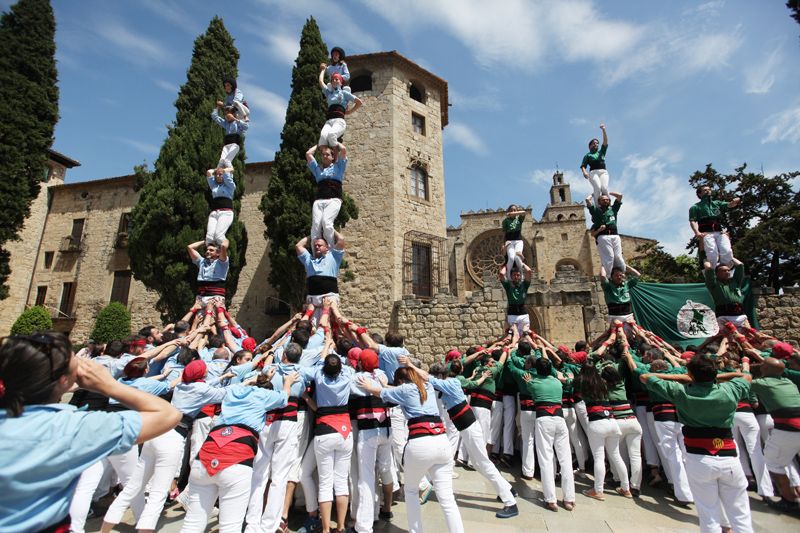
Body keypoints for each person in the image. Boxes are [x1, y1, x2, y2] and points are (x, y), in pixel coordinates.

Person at [0, 333, 180, 532]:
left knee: (88, 487)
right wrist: (109, 385)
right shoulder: (70, 427)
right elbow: (168, 415)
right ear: (64, 380)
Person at [101, 359, 229, 533]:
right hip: (174, 437)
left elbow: (205, 385)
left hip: (158, 433)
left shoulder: (182, 385)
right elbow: (224, 394)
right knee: (159, 493)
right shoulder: (201, 389)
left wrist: (223, 376)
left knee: (133, 486)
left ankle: (104, 530)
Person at [641, 355, 754, 533]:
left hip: (698, 458)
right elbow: (746, 377)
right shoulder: (730, 390)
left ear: (690, 374)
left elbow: (646, 377)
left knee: (708, 515)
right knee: (741, 515)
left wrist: (684, 378)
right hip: (729, 456)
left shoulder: (681, 392)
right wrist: (719, 374)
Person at [181, 370, 298, 533]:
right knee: (230, 527)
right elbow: (284, 398)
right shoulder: (264, 395)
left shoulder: (234, 391)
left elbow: (240, 386)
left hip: (206, 455)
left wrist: (255, 381)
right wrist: (287, 382)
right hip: (236, 459)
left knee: (192, 524)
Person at [359, 367, 465, 533]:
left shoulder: (405, 389)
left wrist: (366, 383)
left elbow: (378, 392)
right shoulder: (428, 386)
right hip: (441, 441)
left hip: (420, 443)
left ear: (400, 381)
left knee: (411, 491)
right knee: (447, 499)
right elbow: (396, 389)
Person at [409, 358, 519, 518]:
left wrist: (410, 364)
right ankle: (508, 489)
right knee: (482, 464)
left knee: (483, 464)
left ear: (440, 375)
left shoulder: (450, 383)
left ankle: (510, 502)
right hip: (466, 428)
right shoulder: (447, 384)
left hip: (470, 428)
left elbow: (426, 377)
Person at [516, 355, 576, 511]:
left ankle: (551, 499)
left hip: (544, 419)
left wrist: (529, 379)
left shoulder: (533, 383)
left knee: (546, 459)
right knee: (565, 459)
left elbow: (528, 386)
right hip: (559, 419)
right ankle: (569, 499)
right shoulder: (557, 382)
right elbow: (567, 380)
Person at [750, 358, 800, 512]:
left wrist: (746, 367)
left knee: (772, 462)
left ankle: (789, 499)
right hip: (791, 425)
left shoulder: (761, 383)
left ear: (764, 369)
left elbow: (743, 379)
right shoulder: (788, 382)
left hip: (788, 428)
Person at [577, 363, 632, 501]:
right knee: (616, 456)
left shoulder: (583, 384)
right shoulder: (603, 383)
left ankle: (598, 490)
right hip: (612, 421)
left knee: (599, 458)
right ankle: (626, 488)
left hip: (597, 423)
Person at [689, 185, 740, 270]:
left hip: (719, 232)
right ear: (699, 194)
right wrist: (697, 232)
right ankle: (712, 272)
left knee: (727, 251)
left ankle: (725, 270)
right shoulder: (695, 207)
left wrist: (735, 201)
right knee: (712, 254)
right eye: (705, 190)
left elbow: (730, 205)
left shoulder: (717, 203)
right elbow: (692, 221)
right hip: (706, 233)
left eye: (709, 189)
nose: (708, 191)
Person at [306, 143, 347, 247]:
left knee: (327, 223)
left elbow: (343, 150)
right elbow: (308, 154)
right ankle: (316, 255)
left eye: (327, 154)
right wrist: (319, 145)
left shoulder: (338, 167)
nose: (324, 156)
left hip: (333, 200)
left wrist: (335, 142)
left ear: (332, 157)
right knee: (315, 227)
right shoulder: (317, 169)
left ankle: (331, 249)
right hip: (319, 201)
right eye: (323, 154)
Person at [296, 232, 345, 312]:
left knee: (327, 322)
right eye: (315, 246)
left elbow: (341, 239)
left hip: (329, 298)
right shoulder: (308, 260)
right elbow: (298, 246)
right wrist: (312, 235)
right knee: (309, 323)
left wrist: (329, 229)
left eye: (320, 245)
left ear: (327, 248)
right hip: (313, 299)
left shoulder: (333, 257)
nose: (317, 247)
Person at [317, 67, 362, 148]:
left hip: (339, 121)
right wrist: (323, 70)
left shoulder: (344, 93)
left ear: (341, 82)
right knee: (322, 139)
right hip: (329, 121)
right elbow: (321, 82)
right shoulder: (329, 93)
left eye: (336, 79)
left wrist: (349, 112)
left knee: (331, 135)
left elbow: (359, 102)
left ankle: (341, 150)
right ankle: (328, 159)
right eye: (333, 79)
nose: (334, 80)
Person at [586, 192, 626, 278]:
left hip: (615, 235)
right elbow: (587, 200)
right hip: (603, 236)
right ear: (599, 202)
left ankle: (622, 274)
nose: (605, 201)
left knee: (618, 257)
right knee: (610, 257)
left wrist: (608, 192)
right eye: (603, 200)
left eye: (607, 199)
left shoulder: (613, 209)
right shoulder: (596, 211)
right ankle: (609, 276)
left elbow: (620, 196)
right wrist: (593, 194)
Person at [704, 258, 749, 330]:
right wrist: (707, 259)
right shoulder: (713, 284)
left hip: (740, 315)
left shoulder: (734, 282)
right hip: (724, 317)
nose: (728, 272)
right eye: (724, 271)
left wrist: (729, 256)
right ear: (717, 273)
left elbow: (740, 265)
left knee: (749, 337)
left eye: (728, 270)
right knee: (727, 339)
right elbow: (709, 269)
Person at [188, 239, 229, 306]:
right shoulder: (201, 262)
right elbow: (190, 247)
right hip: (201, 296)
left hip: (215, 297)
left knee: (214, 316)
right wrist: (205, 241)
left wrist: (222, 237)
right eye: (207, 250)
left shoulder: (222, 262)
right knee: (198, 317)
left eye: (211, 250)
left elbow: (224, 246)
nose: (207, 251)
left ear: (218, 253)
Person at [498, 263, 533, 336]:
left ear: (520, 276)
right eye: (514, 275)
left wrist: (521, 263)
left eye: (518, 275)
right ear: (511, 276)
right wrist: (506, 265)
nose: (516, 277)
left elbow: (529, 271)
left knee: (525, 335)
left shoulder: (524, 285)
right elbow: (501, 274)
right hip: (512, 314)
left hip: (523, 313)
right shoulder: (508, 285)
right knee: (515, 336)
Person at [205, 166, 235, 246]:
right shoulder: (214, 186)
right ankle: (212, 255)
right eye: (217, 175)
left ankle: (223, 255)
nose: (218, 176)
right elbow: (209, 172)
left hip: (225, 213)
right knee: (209, 237)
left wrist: (223, 171)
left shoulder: (230, 186)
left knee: (219, 236)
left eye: (220, 174)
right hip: (214, 213)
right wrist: (217, 170)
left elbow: (231, 169)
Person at [212, 102, 249, 166]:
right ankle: (219, 175)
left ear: (233, 114)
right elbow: (215, 117)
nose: (226, 116)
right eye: (225, 114)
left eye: (228, 113)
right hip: (226, 145)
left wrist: (235, 119)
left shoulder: (237, 123)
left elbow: (246, 126)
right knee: (221, 162)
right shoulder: (226, 124)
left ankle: (229, 173)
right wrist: (218, 107)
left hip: (234, 145)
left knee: (227, 161)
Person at [580, 124, 609, 204]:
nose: (596, 144)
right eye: (594, 143)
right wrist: (584, 172)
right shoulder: (588, 155)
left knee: (604, 188)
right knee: (598, 188)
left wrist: (603, 130)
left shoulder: (601, 152)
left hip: (603, 172)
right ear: (590, 146)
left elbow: (605, 142)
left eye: (597, 143)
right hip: (593, 172)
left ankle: (608, 205)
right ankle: (598, 207)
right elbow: (583, 166)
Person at [501, 205, 526, 280]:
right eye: (511, 210)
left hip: (518, 241)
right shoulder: (505, 221)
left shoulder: (519, 219)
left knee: (517, 257)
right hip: (509, 242)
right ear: (508, 211)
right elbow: (504, 234)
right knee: (511, 258)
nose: (513, 211)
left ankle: (521, 276)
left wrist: (514, 213)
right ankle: (508, 277)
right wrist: (503, 244)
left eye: (515, 210)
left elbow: (524, 212)